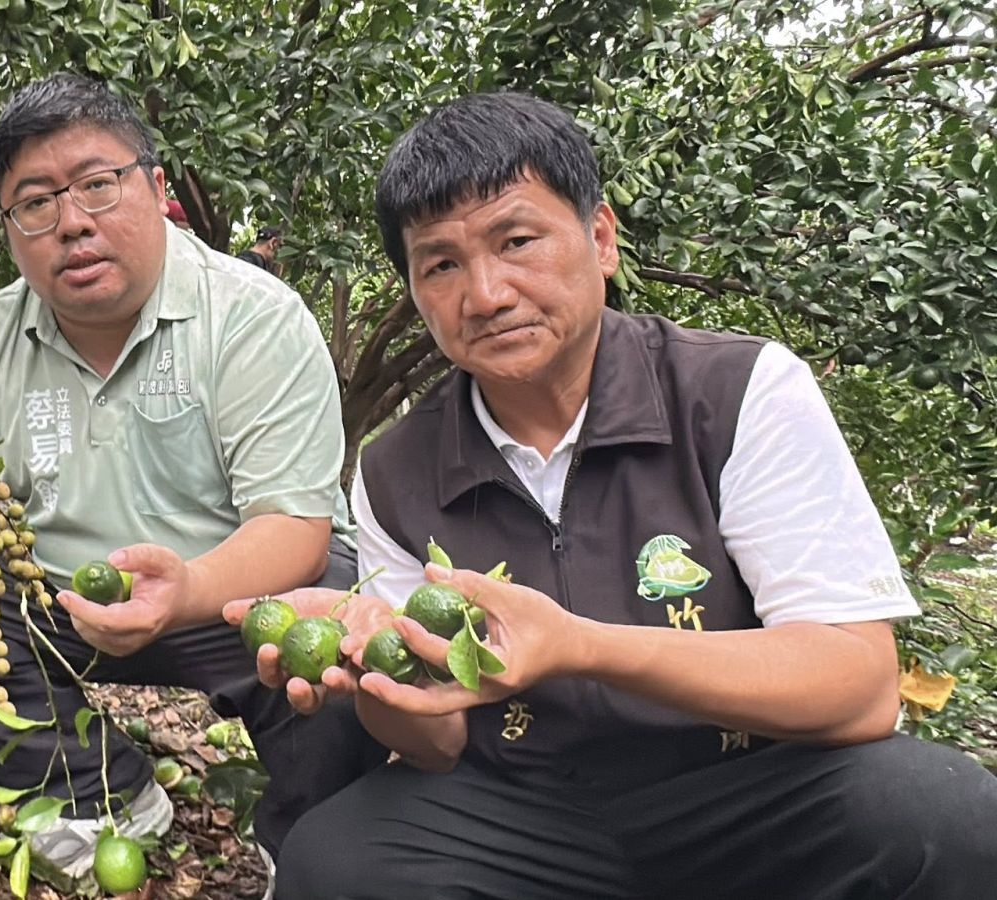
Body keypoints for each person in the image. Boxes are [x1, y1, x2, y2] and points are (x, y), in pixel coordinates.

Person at [226, 92, 997, 899]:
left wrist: (580, 645)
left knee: (941, 817)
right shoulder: (397, 470)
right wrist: (379, 679)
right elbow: (437, 744)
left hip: (752, 792)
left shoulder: (735, 393)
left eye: (516, 241)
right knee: (336, 863)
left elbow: (857, 685)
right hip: (522, 809)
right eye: (441, 264)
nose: (485, 294)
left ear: (600, 239)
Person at [0, 73, 385, 881]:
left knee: (332, 613)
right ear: (10, 231)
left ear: (157, 188)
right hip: (57, 606)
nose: (72, 222)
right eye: (35, 203)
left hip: (227, 596)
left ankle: (310, 842)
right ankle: (97, 790)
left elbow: (295, 528)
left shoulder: (253, 317)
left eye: (98, 185)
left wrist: (186, 589)